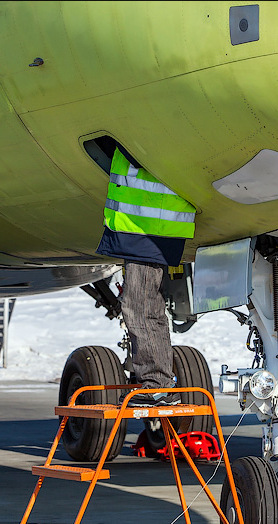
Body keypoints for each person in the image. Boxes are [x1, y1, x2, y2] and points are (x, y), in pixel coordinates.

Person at [95, 147, 197, 407]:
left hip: (147, 225)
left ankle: (156, 384)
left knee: (141, 305)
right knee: (146, 306)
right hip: (148, 223)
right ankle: (157, 382)